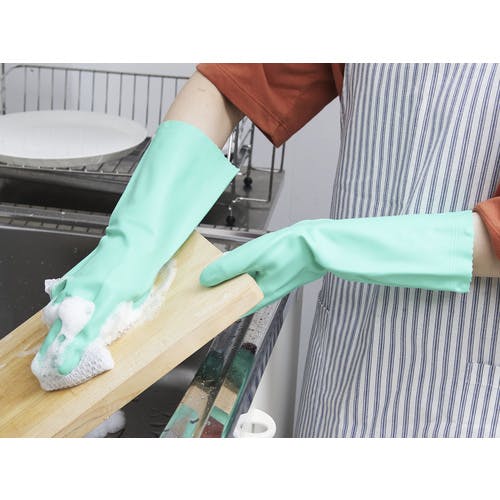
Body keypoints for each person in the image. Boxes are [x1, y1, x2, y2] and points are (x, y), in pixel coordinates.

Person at [33, 64, 500, 438]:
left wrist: (322, 247)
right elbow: (234, 79)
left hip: (465, 377)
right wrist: (136, 234)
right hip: (344, 345)